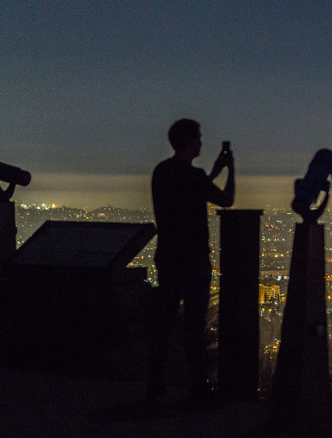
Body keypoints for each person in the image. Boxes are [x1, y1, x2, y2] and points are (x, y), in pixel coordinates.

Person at [148, 118, 235, 399]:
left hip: (168, 258)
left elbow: (186, 195)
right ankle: (198, 388)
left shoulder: (161, 172)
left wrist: (211, 173)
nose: (201, 141)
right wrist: (229, 170)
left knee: (163, 325)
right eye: (198, 136)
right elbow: (226, 200)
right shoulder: (194, 177)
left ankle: (155, 386)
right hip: (194, 261)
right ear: (188, 141)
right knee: (195, 329)